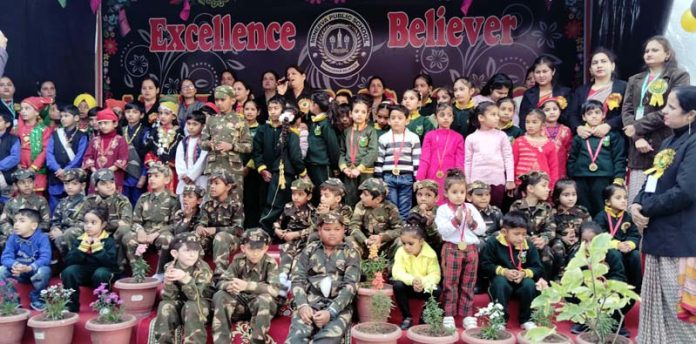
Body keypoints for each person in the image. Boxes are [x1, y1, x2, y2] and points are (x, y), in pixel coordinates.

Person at [631, 85, 696, 342]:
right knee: (658, 312)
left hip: (680, 244)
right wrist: (637, 202)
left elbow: (685, 192)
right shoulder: (670, 140)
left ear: (691, 115)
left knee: (681, 316)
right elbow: (653, 180)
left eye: (671, 107)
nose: (664, 111)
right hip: (659, 238)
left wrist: (646, 207)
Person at [622, 36, 690, 202]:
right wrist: (637, 138)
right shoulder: (635, 79)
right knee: (636, 199)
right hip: (638, 148)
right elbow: (627, 110)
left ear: (667, 54)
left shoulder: (679, 76)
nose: (649, 53)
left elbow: (671, 109)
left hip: (666, 140)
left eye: (655, 50)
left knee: (661, 194)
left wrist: (636, 128)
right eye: (646, 51)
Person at [285, 211, 360, 343]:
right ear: (319, 230)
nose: (332, 233)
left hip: (338, 305)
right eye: (327, 229)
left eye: (337, 229)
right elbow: (297, 279)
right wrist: (302, 305)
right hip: (310, 302)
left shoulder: (351, 253)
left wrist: (331, 312)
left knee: (327, 340)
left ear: (344, 230)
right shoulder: (309, 250)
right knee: (296, 337)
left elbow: (351, 286)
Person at [435, 169, 486, 329]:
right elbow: (443, 231)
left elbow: (482, 230)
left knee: (468, 283)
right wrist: (455, 221)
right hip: (452, 248)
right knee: (450, 282)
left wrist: (471, 223)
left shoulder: (471, 208)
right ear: (446, 193)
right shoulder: (443, 210)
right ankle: (449, 314)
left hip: (470, 249)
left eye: (462, 192)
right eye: (454, 192)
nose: (459, 195)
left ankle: (467, 314)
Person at [212, 228, 280, 344]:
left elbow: (274, 290)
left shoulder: (270, 263)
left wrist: (247, 286)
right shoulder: (238, 261)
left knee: (265, 299)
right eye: (251, 248)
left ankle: (257, 341)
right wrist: (229, 285)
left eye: (259, 249)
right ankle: (221, 341)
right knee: (220, 295)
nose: (255, 253)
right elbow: (220, 282)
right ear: (243, 248)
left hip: (259, 306)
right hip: (240, 304)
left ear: (266, 249)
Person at [479, 210, 543, 330]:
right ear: (504, 232)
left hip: (521, 281)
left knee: (529, 284)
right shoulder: (494, 243)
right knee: (499, 283)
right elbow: (485, 264)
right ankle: (499, 320)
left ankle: (527, 319)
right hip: (502, 279)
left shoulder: (528, 245)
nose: (521, 238)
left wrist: (524, 273)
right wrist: (504, 272)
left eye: (524, 234)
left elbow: (538, 267)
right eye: (516, 234)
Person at [255, 100, 306, 234]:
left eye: (276, 108)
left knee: (277, 204)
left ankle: (268, 230)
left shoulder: (290, 133)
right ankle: (266, 231)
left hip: (282, 174)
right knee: (270, 203)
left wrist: (302, 172)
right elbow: (257, 151)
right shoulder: (263, 129)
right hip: (269, 174)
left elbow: (295, 157)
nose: (272, 111)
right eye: (270, 108)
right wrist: (262, 168)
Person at [568, 100, 626, 215]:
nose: (593, 116)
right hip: (581, 177)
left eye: (597, 112)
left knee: (601, 207)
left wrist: (619, 177)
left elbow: (619, 158)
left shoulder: (613, 135)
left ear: (603, 115)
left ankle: (602, 230)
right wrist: (571, 175)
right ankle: (585, 231)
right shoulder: (580, 136)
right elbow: (572, 157)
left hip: (603, 177)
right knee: (582, 208)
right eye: (589, 114)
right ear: (584, 117)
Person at [153, 234, 213, 344]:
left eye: (196, 250)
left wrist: (185, 279)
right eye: (187, 250)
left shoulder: (202, 268)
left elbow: (195, 296)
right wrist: (168, 283)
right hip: (182, 303)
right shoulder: (170, 266)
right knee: (165, 305)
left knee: (191, 305)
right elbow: (169, 297)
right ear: (175, 253)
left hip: (202, 304)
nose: (192, 255)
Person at [124, 162, 180, 279]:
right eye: (150, 176)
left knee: (166, 239)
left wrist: (156, 233)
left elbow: (175, 224)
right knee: (128, 238)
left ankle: (160, 273)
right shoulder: (144, 198)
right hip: (145, 231)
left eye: (156, 176)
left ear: (166, 180)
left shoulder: (173, 200)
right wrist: (140, 231)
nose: (152, 179)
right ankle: (138, 272)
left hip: (162, 231)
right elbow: (135, 221)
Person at [201, 85, 253, 203]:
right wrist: (210, 144)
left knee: (235, 201)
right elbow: (202, 143)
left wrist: (232, 146)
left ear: (233, 100)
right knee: (212, 201)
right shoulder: (211, 120)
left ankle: (236, 222)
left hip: (232, 168)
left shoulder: (241, 120)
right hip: (214, 166)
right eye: (217, 100)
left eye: (223, 99)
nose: (219, 103)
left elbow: (249, 146)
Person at [61, 206, 119, 313]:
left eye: (93, 223)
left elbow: (112, 264)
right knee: (69, 272)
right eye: (86, 222)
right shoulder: (80, 240)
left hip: (102, 273)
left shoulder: (108, 241)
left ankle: (105, 304)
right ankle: (70, 306)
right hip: (85, 272)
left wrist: (98, 249)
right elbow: (68, 262)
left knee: (100, 273)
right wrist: (81, 249)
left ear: (103, 225)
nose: (88, 226)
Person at [391, 213, 442, 330]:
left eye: (411, 243)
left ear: (421, 241)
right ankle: (407, 317)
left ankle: (425, 317)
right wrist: (413, 280)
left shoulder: (430, 254)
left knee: (437, 289)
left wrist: (422, 282)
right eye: (404, 243)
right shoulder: (400, 252)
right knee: (397, 285)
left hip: (423, 287)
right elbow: (397, 272)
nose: (406, 247)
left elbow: (435, 275)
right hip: (409, 286)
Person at [465, 101, 515, 208]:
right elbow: (468, 162)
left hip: (497, 181)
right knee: (477, 211)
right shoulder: (471, 138)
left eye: (497, 114)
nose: (497, 117)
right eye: (493, 115)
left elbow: (508, 158)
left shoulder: (502, 136)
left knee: (495, 210)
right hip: (477, 182)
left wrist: (510, 179)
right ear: (481, 118)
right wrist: (468, 183)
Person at [195, 170, 245, 276]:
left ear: (228, 187)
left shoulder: (236, 205)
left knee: (220, 237)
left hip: (230, 240)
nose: (212, 186)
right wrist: (199, 227)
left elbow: (238, 230)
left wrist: (215, 230)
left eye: (216, 183)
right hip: (211, 239)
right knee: (193, 237)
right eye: (211, 183)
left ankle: (220, 275)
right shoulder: (207, 204)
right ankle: (196, 272)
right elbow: (202, 222)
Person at [375, 104, 421, 218]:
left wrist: (417, 179)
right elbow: (379, 159)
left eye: (400, 118)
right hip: (388, 177)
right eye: (393, 118)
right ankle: (394, 232)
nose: (396, 121)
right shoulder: (384, 138)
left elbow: (416, 160)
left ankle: (404, 232)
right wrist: (379, 179)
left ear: (407, 120)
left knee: (405, 207)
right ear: (389, 121)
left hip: (406, 177)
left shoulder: (413, 137)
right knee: (391, 207)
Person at [0, 208, 51, 311]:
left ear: (34, 225)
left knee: (44, 271)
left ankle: (37, 299)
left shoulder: (42, 238)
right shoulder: (13, 238)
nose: (16, 224)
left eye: (22, 221)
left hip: (34, 271)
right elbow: (5, 257)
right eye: (16, 221)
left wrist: (30, 267)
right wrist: (15, 264)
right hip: (18, 272)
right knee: (1, 270)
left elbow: (46, 258)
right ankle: (12, 301)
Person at [510, 171, 557, 280]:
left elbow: (551, 228)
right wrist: (529, 240)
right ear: (530, 189)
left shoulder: (546, 207)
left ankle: (545, 283)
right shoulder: (516, 206)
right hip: (520, 243)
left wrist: (544, 239)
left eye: (548, 186)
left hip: (540, 243)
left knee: (547, 253)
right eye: (543, 186)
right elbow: (513, 228)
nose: (548, 189)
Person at [569, 48, 628, 134]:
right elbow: (572, 115)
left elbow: (629, 112)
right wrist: (578, 127)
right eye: (595, 63)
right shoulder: (580, 91)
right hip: (586, 139)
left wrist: (609, 125)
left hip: (614, 139)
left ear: (612, 66)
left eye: (603, 61)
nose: (599, 65)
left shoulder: (623, 87)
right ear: (590, 70)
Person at [594, 184, 642, 292]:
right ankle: (617, 288)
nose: (623, 201)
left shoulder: (628, 217)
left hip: (626, 249)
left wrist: (630, 245)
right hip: (609, 250)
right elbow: (600, 236)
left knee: (636, 255)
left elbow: (635, 235)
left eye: (625, 198)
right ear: (607, 202)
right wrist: (617, 245)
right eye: (618, 198)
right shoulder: (601, 217)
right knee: (615, 254)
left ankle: (636, 289)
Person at [81, 169, 133, 267]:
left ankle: (118, 266)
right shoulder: (89, 201)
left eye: (112, 182)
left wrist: (99, 225)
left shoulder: (122, 200)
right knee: (72, 232)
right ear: (96, 187)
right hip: (93, 233)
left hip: (114, 235)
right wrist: (95, 227)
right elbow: (80, 221)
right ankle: (78, 264)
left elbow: (126, 222)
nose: (109, 186)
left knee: (124, 229)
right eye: (104, 183)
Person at [417, 103, 465, 204]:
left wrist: (459, 178)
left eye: (449, 115)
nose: (446, 118)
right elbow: (424, 158)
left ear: (453, 118)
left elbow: (459, 160)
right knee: (431, 204)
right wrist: (420, 178)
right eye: (442, 115)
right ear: (435, 117)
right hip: (431, 175)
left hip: (450, 177)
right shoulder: (429, 136)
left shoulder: (458, 137)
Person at [274, 179, 315, 295]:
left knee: (299, 258)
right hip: (289, 240)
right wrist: (278, 230)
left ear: (309, 196)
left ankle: (293, 282)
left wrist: (297, 234)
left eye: (300, 194)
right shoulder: (288, 207)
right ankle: (282, 278)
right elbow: (278, 221)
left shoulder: (311, 211)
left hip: (303, 241)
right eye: (294, 194)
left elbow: (314, 229)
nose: (296, 197)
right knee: (287, 254)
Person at [46, 105, 88, 212]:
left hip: (73, 176)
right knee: (54, 204)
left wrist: (66, 171)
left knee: (74, 205)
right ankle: (55, 225)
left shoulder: (82, 136)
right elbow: (49, 154)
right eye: (61, 116)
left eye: (66, 116)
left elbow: (80, 156)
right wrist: (57, 169)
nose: (63, 119)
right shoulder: (55, 134)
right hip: (55, 175)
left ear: (76, 118)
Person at [339, 95, 378, 206]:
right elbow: (342, 152)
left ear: (367, 114)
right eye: (356, 111)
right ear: (351, 113)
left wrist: (360, 168)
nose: (359, 114)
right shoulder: (346, 131)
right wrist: (344, 168)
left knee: (366, 200)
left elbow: (373, 152)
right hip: (349, 173)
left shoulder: (371, 131)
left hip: (365, 173)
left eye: (363, 112)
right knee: (349, 200)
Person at [549, 178, 591, 280]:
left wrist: (579, 239)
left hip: (577, 242)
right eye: (566, 195)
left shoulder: (582, 212)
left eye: (574, 194)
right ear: (558, 196)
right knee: (557, 248)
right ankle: (559, 276)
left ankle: (575, 277)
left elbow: (589, 229)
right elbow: (549, 230)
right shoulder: (552, 212)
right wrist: (562, 238)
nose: (571, 198)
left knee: (578, 251)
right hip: (559, 241)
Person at [0, 169, 50, 248]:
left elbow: (46, 223)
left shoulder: (41, 201)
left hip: (35, 235)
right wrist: (13, 232)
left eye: (30, 182)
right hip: (15, 234)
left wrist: (29, 232)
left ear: (34, 183)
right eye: (22, 182)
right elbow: (3, 222)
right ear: (15, 185)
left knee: (46, 238)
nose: (27, 185)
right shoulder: (10, 203)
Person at [519, 55, 572, 129]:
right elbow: (523, 120)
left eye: (545, 71)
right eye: (537, 72)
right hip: (535, 136)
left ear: (553, 72)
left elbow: (570, 118)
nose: (541, 75)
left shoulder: (565, 92)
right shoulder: (528, 94)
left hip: (559, 136)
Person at [82, 108, 129, 192]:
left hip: (113, 177)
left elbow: (123, 159)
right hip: (96, 177)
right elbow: (88, 157)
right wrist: (95, 172)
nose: (102, 126)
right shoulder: (95, 140)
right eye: (100, 123)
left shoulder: (120, 140)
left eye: (106, 123)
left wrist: (106, 172)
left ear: (115, 124)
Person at [306, 91, 340, 204]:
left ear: (315, 105)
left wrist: (335, 166)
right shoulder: (314, 122)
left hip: (322, 165)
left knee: (325, 194)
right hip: (312, 164)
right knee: (314, 194)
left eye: (311, 103)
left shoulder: (325, 124)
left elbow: (333, 147)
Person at [512, 109, 559, 189]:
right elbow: (513, 163)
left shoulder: (549, 144)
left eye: (534, 122)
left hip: (542, 186)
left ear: (543, 125)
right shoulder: (519, 141)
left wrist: (552, 186)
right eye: (527, 122)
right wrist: (512, 181)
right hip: (521, 185)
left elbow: (554, 167)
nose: (530, 125)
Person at [144, 101, 183, 192]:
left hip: (170, 170)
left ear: (173, 116)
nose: (162, 116)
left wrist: (169, 164)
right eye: (160, 113)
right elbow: (149, 150)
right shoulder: (154, 131)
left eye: (166, 113)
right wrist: (152, 163)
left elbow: (180, 153)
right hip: (155, 168)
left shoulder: (179, 133)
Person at [16, 97, 53, 193]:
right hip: (20, 168)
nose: (23, 111)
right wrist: (17, 164)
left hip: (36, 170)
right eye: (22, 109)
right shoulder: (17, 129)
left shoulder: (44, 129)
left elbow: (45, 150)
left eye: (27, 108)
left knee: (37, 198)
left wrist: (34, 167)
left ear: (37, 112)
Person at [49, 168, 88, 256]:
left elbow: (85, 223)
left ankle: (70, 262)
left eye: (74, 184)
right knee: (44, 237)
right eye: (66, 183)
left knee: (68, 234)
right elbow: (55, 220)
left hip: (77, 234)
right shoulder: (63, 202)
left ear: (83, 185)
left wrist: (62, 233)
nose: (69, 187)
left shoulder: (87, 202)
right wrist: (55, 229)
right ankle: (52, 264)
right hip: (61, 232)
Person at [120, 102, 150, 206]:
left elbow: (147, 155)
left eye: (135, 112)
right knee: (123, 202)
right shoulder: (121, 130)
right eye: (128, 112)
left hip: (138, 172)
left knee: (137, 202)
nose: (131, 114)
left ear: (141, 115)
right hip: (123, 173)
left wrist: (143, 175)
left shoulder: (145, 131)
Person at [175, 109, 208, 199]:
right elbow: (179, 160)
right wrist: (183, 175)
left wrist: (191, 176)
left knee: (200, 202)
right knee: (184, 203)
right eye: (188, 123)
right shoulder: (183, 142)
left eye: (195, 124)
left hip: (200, 179)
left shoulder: (204, 142)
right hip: (185, 180)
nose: (191, 127)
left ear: (203, 126)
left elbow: (202, 161)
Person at [241, 99, 264, 227]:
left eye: (252, 109)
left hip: (254, 171)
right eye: (247, 109)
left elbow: (259, 150)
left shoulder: (261, 129)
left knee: (252, 200)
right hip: (238, 170)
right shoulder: (238, 128)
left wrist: (248, 167)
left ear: (258, 112)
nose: (249, 112)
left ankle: (253, 228)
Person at [539, 97, 572, 178]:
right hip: (542, 168)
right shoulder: (538, 130)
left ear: (560, 111)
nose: (552, 112)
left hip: (561, 169)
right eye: (547, 110)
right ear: (541, 113)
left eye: (555, 109)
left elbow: (569, 152)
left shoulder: (566, 130)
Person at [410, 179, 441, 253]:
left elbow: (440, 239)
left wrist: (430, 225)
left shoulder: (441, 211)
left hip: (436, 245)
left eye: (428, 195)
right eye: (419, 195)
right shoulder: (413, 211)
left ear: (436, 198)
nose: (423, 199)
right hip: (420, 245)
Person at [0, 111, 19, 207]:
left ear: (7, 124)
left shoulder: (13, 139)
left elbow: (15, 157)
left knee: (6, 204)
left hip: (6, 176)